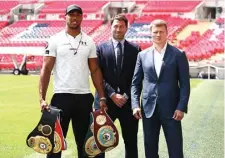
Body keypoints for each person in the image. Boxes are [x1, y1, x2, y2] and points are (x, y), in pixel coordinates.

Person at [39, 4, 107, 158]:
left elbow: (95, 70)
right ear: (65, 17)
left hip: (84, 97)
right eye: (71, 14)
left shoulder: (89, 41)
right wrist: (42, 99)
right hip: (61, 97)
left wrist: (102, 96)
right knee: (55, 144)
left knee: (86, 145)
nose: (74, 18)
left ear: (82, 17)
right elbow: (46, 69)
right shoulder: (55, 40)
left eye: (78, 14)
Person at [131, 19, 190, 158]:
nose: (158, 35)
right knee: (150, 150)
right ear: (150, 33)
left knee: (175, 149)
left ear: (167, 33)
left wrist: (181, 107)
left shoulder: (178, 54)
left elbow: (185, 84)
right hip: (148, 110)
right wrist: (135, 105)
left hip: (172, 110)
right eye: (155, 32)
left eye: (161, 32)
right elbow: (135, 83)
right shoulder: (142, 55)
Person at [94, 14, 141, 158]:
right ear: (111, 27)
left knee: (131, 143)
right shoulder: (100, 49)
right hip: (105, 103)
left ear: (127, 28)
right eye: (115, 26)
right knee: (99, 143)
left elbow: (137, 77)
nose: (118, 29)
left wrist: (125, 96)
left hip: (128, 105)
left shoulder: (136, 49)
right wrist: (112, 94)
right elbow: (97, 75)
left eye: (121, 26)